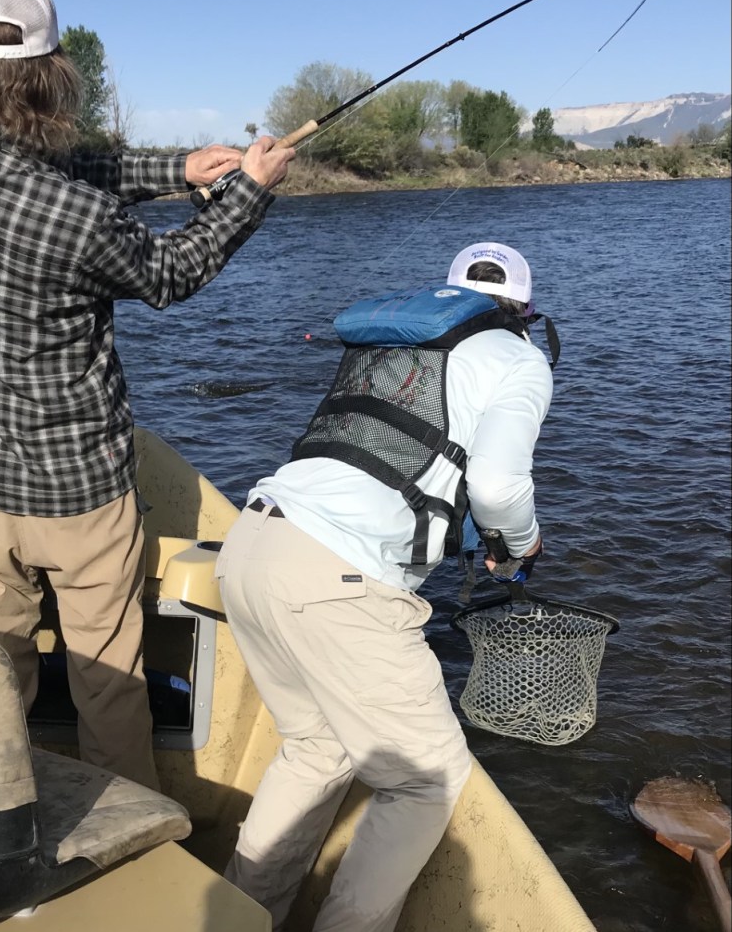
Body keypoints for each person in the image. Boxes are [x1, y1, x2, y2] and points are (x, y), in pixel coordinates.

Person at [0, 0, 294, 791]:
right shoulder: (79, 218)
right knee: (108, 680)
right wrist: (246, 193)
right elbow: (171, 271)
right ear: (50, 78)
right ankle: (124, 829)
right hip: (78, 494)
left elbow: (53, 165)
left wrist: (179, 168)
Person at [215, 241, 554, 932]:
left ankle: (236, 920)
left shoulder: (399, 349)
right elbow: (496, 485)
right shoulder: (520, 357)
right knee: (427, 777)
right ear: (524, 312)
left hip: (251, 543)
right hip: (334, 577)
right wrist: (520, 544)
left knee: (316, 749)